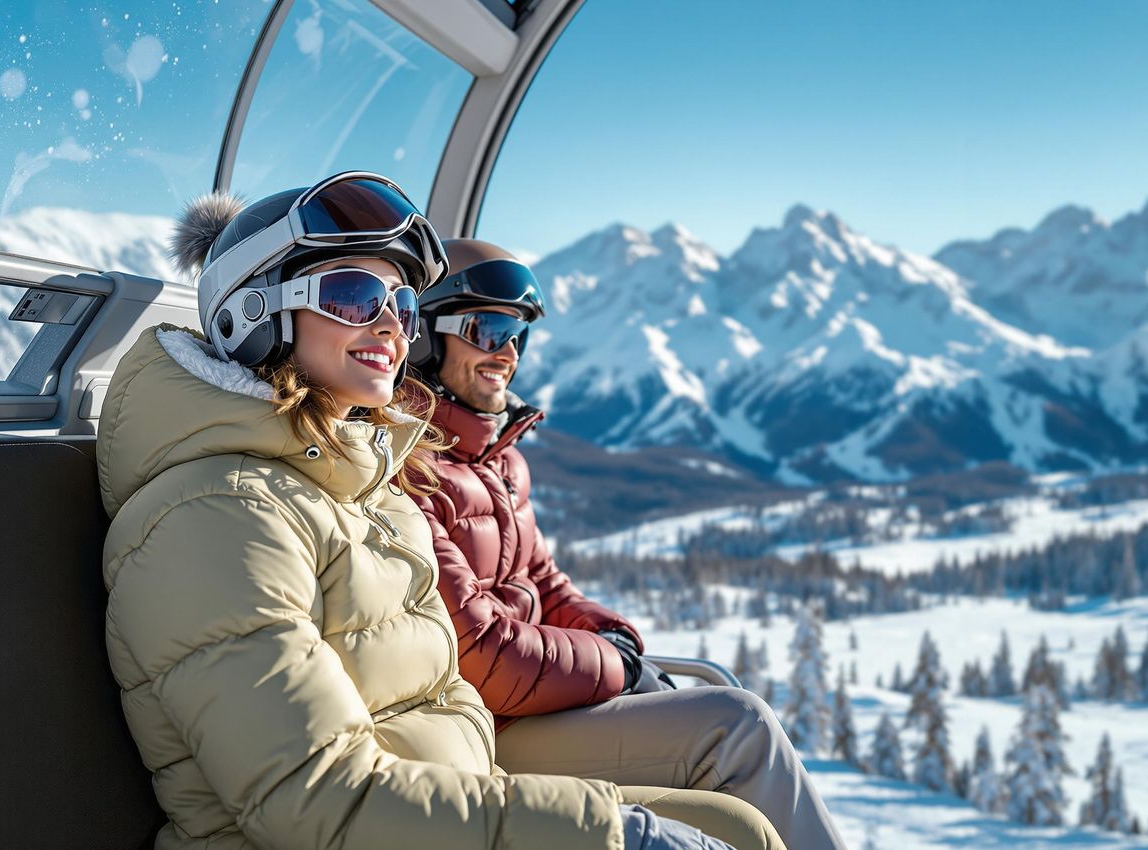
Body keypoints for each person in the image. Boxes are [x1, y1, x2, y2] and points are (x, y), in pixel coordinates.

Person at [98, 173, 783, 850]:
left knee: (739, 829)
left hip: (444, 800)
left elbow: (452, 693)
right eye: (354, 296)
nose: (392, 324)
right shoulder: (212, 516)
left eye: (401, 302)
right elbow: (322, 802)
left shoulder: (364, 488)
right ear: (250, 316)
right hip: (359, 828)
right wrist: (609, 831)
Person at [409, 239, 847, 850]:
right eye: (486, 328)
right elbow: (482, 657)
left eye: (518, 334)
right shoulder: (413, 471)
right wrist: (619, 668)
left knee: (730, 733)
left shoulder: (497, 463)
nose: (507, 351)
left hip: (542, 702)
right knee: (736, 727)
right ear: (422, 337)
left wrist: (616, 637)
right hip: (487, 725)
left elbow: (547, 584)